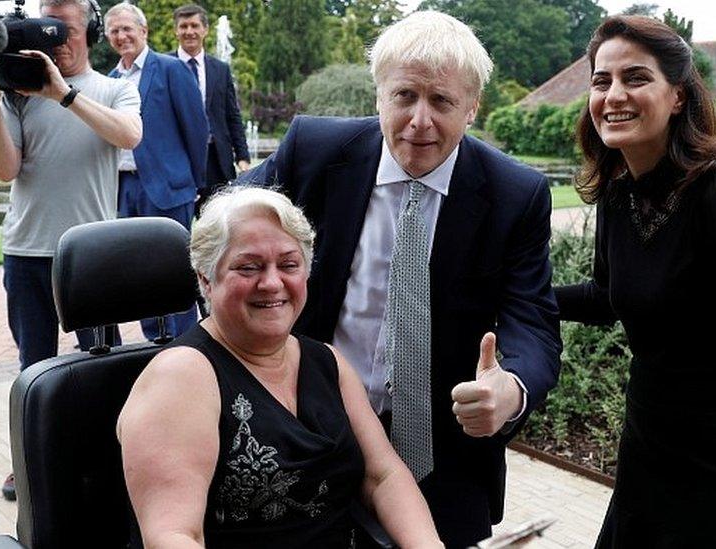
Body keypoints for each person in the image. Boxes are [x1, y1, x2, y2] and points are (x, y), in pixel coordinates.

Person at [236, 10, 561, 547]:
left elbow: (535, 324)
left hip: (440, 458)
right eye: (405, 96)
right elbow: (223, 222)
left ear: (473, 107)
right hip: (305, 433)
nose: (419, 120)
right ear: (378, 95)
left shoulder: (515, 195)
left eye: (442, 101)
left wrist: (510, 389)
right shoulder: (313, 151)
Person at [554, 15, 716, 548]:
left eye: (636, 78)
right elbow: (608, 299)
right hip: (647, 446)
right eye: (602, 81)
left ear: (677, 97)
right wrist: (515, 295)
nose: (614, 95)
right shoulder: (618, 196)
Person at [117, 186, 443, 548]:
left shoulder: (326, 362)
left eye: (289, 265)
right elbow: (174, 535)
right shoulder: (181, 378)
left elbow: (383, 475)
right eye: (249, 267)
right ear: (206, 279)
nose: (272, 283)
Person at [0, 0, 142, 501]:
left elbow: (129, 134)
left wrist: (63, 94)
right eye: (41, 30)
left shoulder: (116, 88)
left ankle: (101, 453)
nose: (52, 41)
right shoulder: (17, 94)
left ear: (89, 32)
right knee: (34, 364)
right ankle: (29, 461)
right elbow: (5, 170)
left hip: (92, 252)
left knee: (100, 358)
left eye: (62, 30)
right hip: (27, 249)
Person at [104, 1, 208, 340]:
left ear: (143, 31)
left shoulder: (171, 69)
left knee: (176, 274)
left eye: (127, 29)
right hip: (124, 189)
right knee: (139, 275)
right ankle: (156, 345)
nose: (122, 36)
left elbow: (195, 128)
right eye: (114, 31)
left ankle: (190, 347)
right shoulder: (109, 81)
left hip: (169, 188)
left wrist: (194, 182)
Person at [170, 3, 251, 215]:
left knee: (220, 224)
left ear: (205, 30)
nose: (189, 31)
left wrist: (243, 157)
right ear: (175, 30)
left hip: (216, 160)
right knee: (179, 228)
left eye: (195, 25)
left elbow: (232, 116)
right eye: (183, 26)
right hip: (178, 160)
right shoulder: (162, 66)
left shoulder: (220, 69)